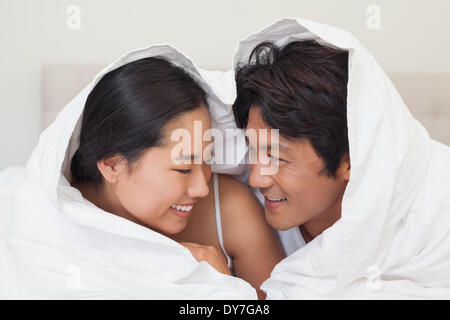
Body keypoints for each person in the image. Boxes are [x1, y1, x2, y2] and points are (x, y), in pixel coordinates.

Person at [0, 45, 282, 299]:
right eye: (183, 168)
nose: (202, 188)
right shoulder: (57, 230)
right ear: (112, 166)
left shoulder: (231, 210)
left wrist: (223, 287)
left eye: (207, 159)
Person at [231, 18, 450, 298]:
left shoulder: (436, 213)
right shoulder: (234, 201)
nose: (257, 178)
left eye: (278, 158)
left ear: (350, 160)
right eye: (253, 148)